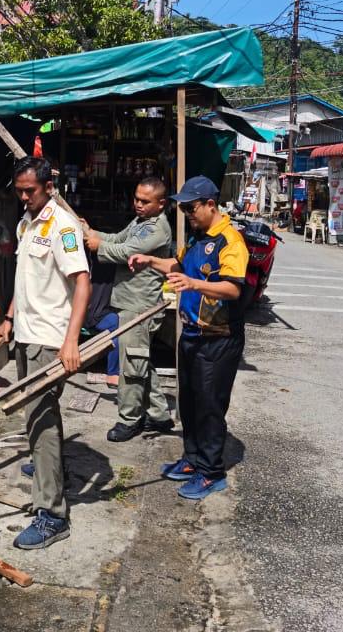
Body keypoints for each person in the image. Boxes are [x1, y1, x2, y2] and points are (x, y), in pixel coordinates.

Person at [129, 175, 249, 502]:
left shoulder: (230, 241)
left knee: (210, 405)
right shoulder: (197, 237)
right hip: (193, 332)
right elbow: (178, 265)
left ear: (211, 204)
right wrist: (151, 261)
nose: (187, 214)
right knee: (190, 402)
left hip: (219, 337)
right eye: (183, 209)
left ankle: (211, 473)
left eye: (191, 208)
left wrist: (195, 285)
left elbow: (233, 288)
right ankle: (192, 460)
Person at [0, 156, 89, 550]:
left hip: (49, 339)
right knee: (36, 418)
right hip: (26, 333)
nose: (23, 197)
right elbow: (26, 278)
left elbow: (81, 283)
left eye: (29, 191)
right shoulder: (26, 223)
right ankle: (45, 470)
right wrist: (9, 316)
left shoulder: (62, 227)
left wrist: (70, 341)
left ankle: (52, 513)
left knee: (43, 419)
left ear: (48, 187)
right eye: (19, 191)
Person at [83, 176, 175, 442]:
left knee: (130, 367)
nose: (138, 204)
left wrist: (99, 245)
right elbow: (117, 238)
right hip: (128, 302)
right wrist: (92, 233)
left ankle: (129, 419)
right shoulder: (140, 222)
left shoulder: (157, 228)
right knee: (139, 361)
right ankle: (159, 414)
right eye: (136, 199)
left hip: (140, 306)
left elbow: (126, 251)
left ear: (161, 204)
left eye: (145, 201)